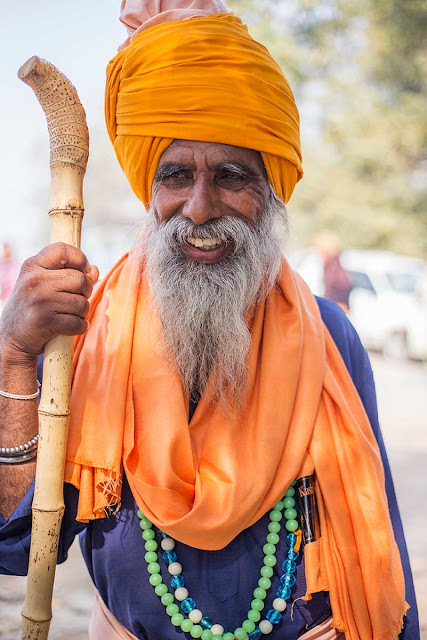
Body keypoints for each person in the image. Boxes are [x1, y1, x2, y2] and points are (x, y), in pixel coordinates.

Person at [0, 1, 420, 639]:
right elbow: (15, 545)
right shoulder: (85, 332)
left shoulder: (329, 337)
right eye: (176, 175)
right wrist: (12, 352)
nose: (199, 209)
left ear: (270, 192)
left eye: (231, 176)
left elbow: (379, 541)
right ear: (151, 189)